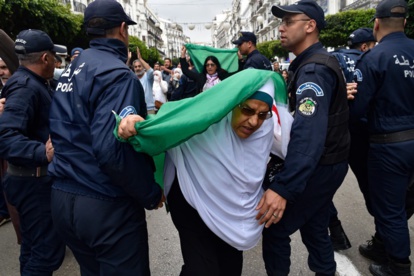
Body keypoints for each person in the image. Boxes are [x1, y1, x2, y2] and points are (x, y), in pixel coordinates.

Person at [116, 70, 288, 276]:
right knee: (202, 270)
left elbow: (298, 150)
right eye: (247, 110)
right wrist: (136, 122)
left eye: (262, 114)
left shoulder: (266, 128)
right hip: (192, 201)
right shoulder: (206, 121)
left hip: (234, 215)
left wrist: (282, 189)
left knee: (229, 269)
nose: (254, 122)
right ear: (231, 104)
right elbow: (169, 121)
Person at [48, 0, 164, 275]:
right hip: (104, 204)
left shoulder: (73, 69)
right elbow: (112, 149)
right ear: (123, 29)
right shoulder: (118, 75)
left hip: (63, 199)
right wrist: (150, 193)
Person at [258, 1, 350, 275]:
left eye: (288, 21)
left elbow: (308, 135)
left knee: (274, 229)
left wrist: (284, 188)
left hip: (319, 165)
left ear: (310, 26)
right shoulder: (313, 63)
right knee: (315, 226)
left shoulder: (313, 70)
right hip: (328, 162)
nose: (281, 28)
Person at [350, 0, 414, 275]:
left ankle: (398, 266)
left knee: (390, 208)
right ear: (406, 23)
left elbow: (358, 110)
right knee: (404, 201)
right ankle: (381, 245)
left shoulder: (374, 58)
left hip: (390, 145)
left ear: (376, 24)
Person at [0, 29, 66, 274]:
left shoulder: (36, 83)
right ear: (46, 59)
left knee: (32, 249)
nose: (56, 63)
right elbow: (6, 137)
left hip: (27, 181)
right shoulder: (26, 87)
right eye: (54, 58)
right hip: (33, 183)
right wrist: (42, 152)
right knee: (46, 254)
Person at [327, 27, 376, 252]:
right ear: (365, 46)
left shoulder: (336, 58)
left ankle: (336, 233)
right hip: (367, 135)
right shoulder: (372, 59)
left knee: (321, 187)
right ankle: (382, 239)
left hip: (337, 133)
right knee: (373, 189)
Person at [133, 48, 156, 114]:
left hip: (149, 108)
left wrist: (140, 59)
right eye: (135, 67)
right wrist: (128, 60)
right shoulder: (133, 78)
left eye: (139, 66)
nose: (137, 68)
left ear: (143, 67)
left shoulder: (148, 77)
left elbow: (151, 71)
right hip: (137, 109)